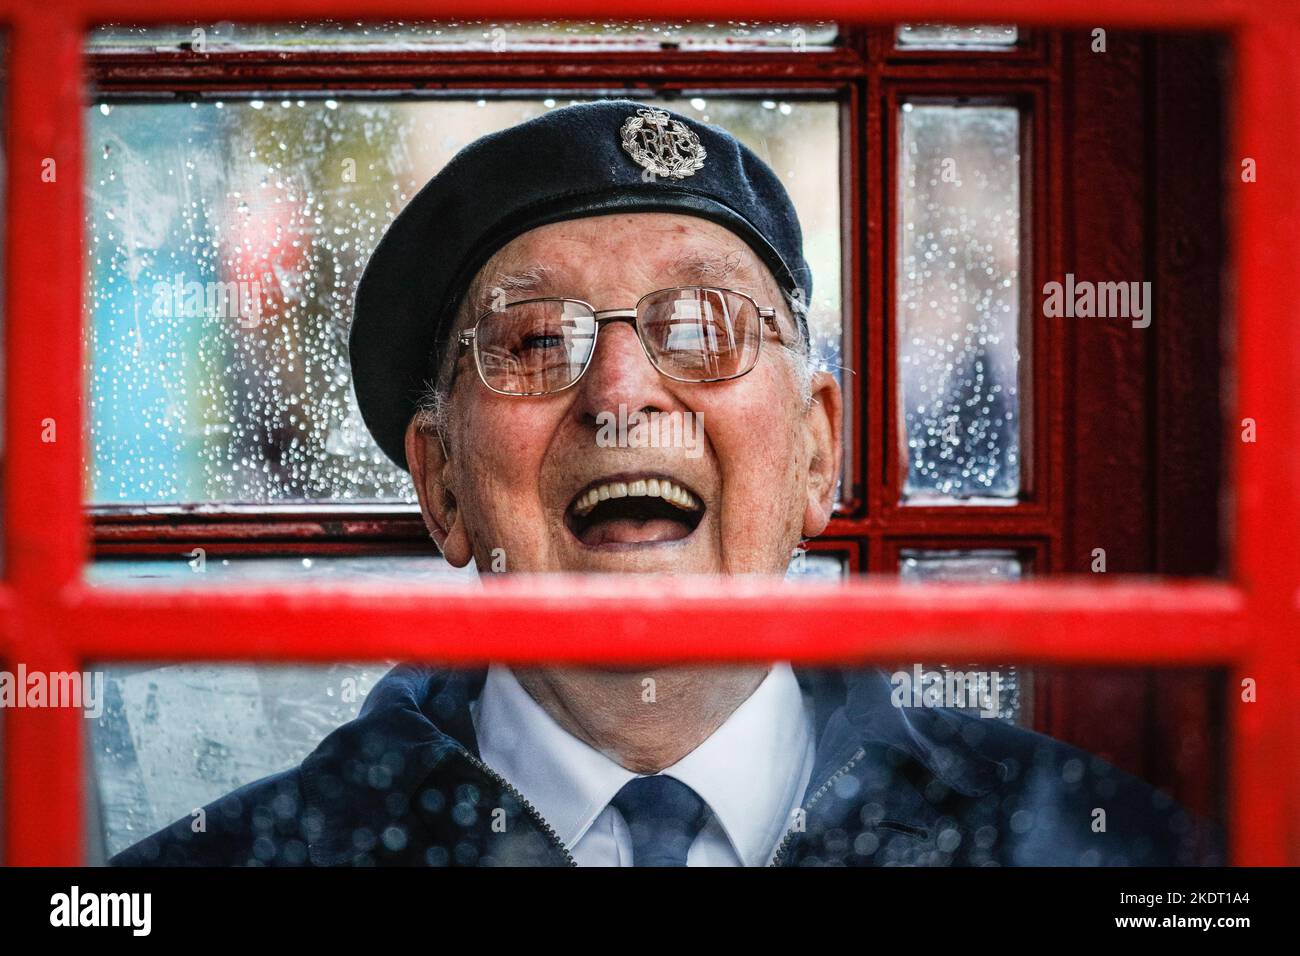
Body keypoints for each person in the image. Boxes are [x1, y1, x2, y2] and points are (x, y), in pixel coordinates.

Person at [112, 100, 1219, 867]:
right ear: (442, 485)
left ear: (815, 455)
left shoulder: (1088, 844)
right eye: (537, 340)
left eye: (703, 325)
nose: (619, 390)